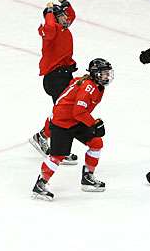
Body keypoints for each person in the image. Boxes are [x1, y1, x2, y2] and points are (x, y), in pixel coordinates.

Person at [32, 58, 114, 200]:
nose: (107, 77)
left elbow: (77, 109)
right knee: (57, 156)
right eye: (103, 74)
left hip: (76, 119)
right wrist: (93, 123)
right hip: (62, 122)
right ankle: (40, 184)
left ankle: (88, 177)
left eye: (108, 73)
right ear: (95, 74)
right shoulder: (88, 87)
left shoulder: (95, 85)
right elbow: (79, 111)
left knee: (96, 143)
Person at [29, 0, 78, 165]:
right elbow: (49, 27)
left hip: (65, 75)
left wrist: (64, 2)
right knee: (63, 113)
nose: (67, 18)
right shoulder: (52, 30)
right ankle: (50, 143)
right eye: (62, 16)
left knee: (67, 112)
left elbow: (72, 15)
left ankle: (47, 140)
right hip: (55, 77)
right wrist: (49, 11)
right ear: (54, 18)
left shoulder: (62, 27)